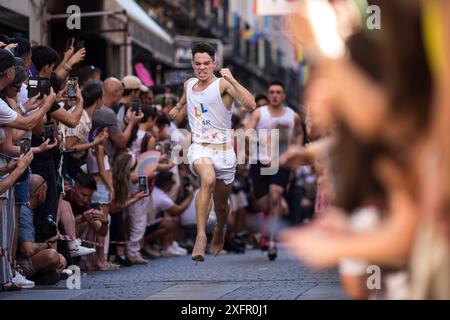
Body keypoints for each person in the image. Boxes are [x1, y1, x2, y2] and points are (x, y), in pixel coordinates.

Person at [169, 42, 256, 261]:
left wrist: (232, 79)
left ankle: (219, 229)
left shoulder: (222, 86)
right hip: (200, 147)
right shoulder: (189, 84)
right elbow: (185, 98)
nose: (202, 68)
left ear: (214, 64)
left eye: (207, 63)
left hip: (225, 152)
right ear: (192, 64)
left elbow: (251, 104)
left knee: (221, 205)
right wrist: (178, 108)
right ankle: (201, 237)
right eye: (198, 63)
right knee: (206, 180)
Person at [244, 80, 303, 260]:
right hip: (259, 161)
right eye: (272, 92)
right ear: (268, 95)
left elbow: (299, 133)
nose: (275, 95)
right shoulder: (259, 113)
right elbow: (246, 131)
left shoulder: (292, 116)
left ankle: (272, 241)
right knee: (263, 203)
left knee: (275, 195)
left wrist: (295, 150)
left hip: (281, 161)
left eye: (278, 92)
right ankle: (274, 212)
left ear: (283, 96)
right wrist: (255, 140)